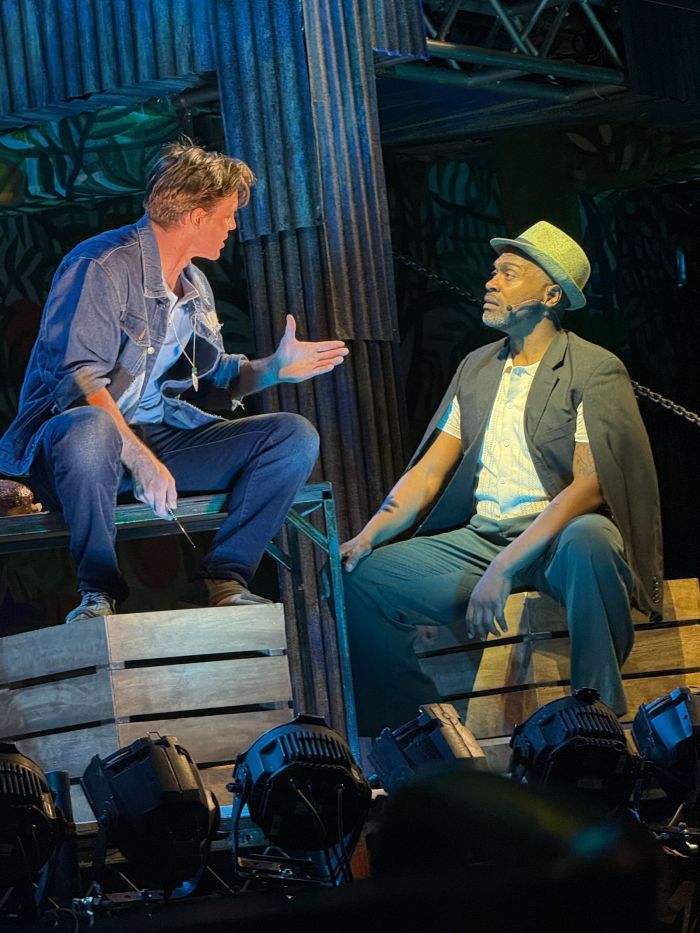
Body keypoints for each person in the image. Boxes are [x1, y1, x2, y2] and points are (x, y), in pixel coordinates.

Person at [0, 141, 348, 623]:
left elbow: (215, 380)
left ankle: (224, 578)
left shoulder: (193, 284)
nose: (232, 226)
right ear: (196, 216)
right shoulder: (100, 265)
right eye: (227, 215)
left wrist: (273, 368)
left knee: (292, 436)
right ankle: (98, 592)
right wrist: (141, 460)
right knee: (91, 429)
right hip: (72, 454)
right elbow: (76, 382)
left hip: (157, 440)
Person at [341, 221, 662, 737]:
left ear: (550, 296)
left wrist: (506, 566)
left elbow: (589, 486)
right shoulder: (477, 367)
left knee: (593, 540)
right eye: (494, 273)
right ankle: (419, 733)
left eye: (509, 274)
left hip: (559, 541)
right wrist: (368, 535)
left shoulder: (593, 368)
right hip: (482, 541)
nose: (491, 283)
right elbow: (429, 471)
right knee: (361, 579)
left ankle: (597, 716)